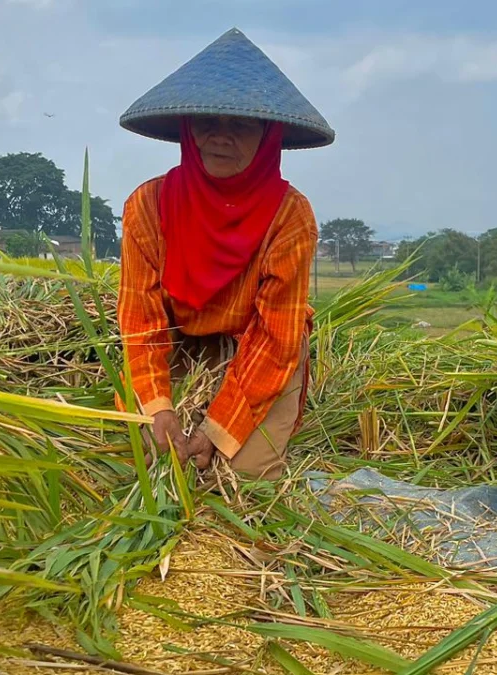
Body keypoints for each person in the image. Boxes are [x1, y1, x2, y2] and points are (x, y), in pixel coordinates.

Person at [115, 28, 335, 480]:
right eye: (207, 123)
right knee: (147, 459)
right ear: (186, 129)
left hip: (254, 346)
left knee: (242, 475)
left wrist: (218, 429)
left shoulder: (289, 217)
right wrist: (158, 408)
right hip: (180, 339)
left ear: (268, 134)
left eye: (241, 124)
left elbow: (276, 338)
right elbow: (142, 322)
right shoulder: (149, 206)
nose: (220, 137)